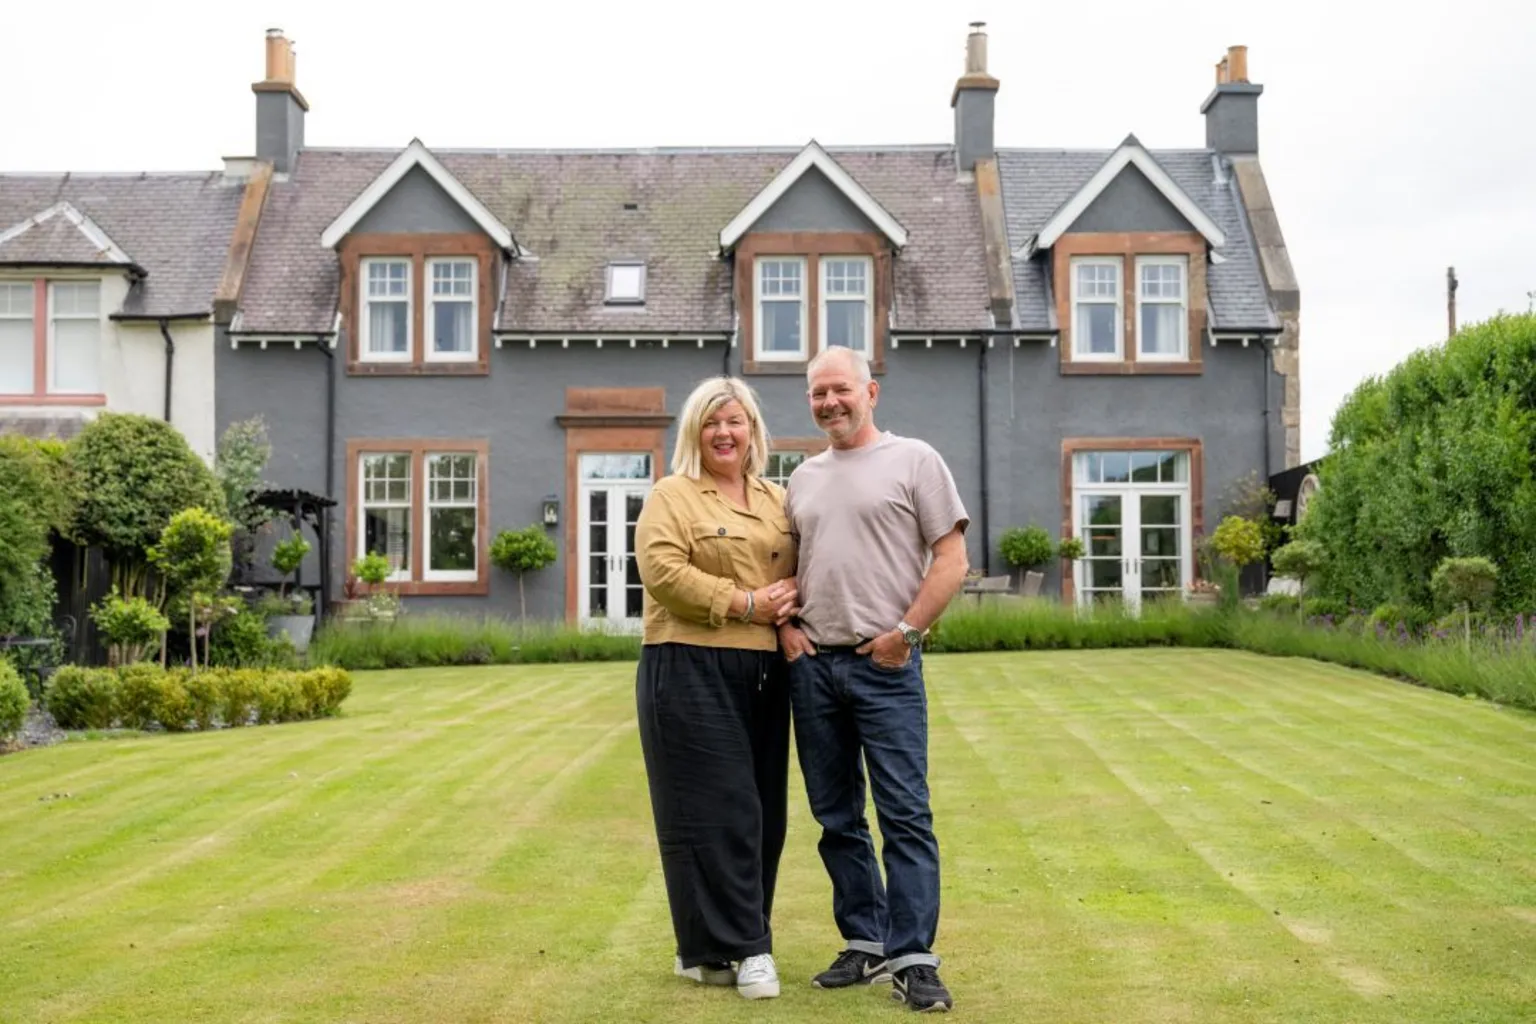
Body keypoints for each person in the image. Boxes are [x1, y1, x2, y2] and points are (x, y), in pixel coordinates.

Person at [778, 346, 971, 1013]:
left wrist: (907, 635)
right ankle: (865, 940)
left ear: (871, 391)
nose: (829, 402)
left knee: (904, 815)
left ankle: (914, 958)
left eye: (840, 390)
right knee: (836, 818)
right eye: (817, 393)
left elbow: (951, 559)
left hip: (884, 667)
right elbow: (788, 569)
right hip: (815, 670)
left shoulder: (915, 460)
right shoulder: (800, 478)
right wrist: (786, 630)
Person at [633, 375, 800, 1001]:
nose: (725, 433)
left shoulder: (779, 498)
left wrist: (790, 609)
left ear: (754, 431)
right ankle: (751, 949)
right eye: (712, 423)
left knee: (764, 815)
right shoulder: (672, 495)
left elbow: (803, 565)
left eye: (736, 422)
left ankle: (704, 951)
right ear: (693, 433)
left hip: (765, 671)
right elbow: (663, 572)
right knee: (716, 812)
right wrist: (746, 602)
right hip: (688, 663)